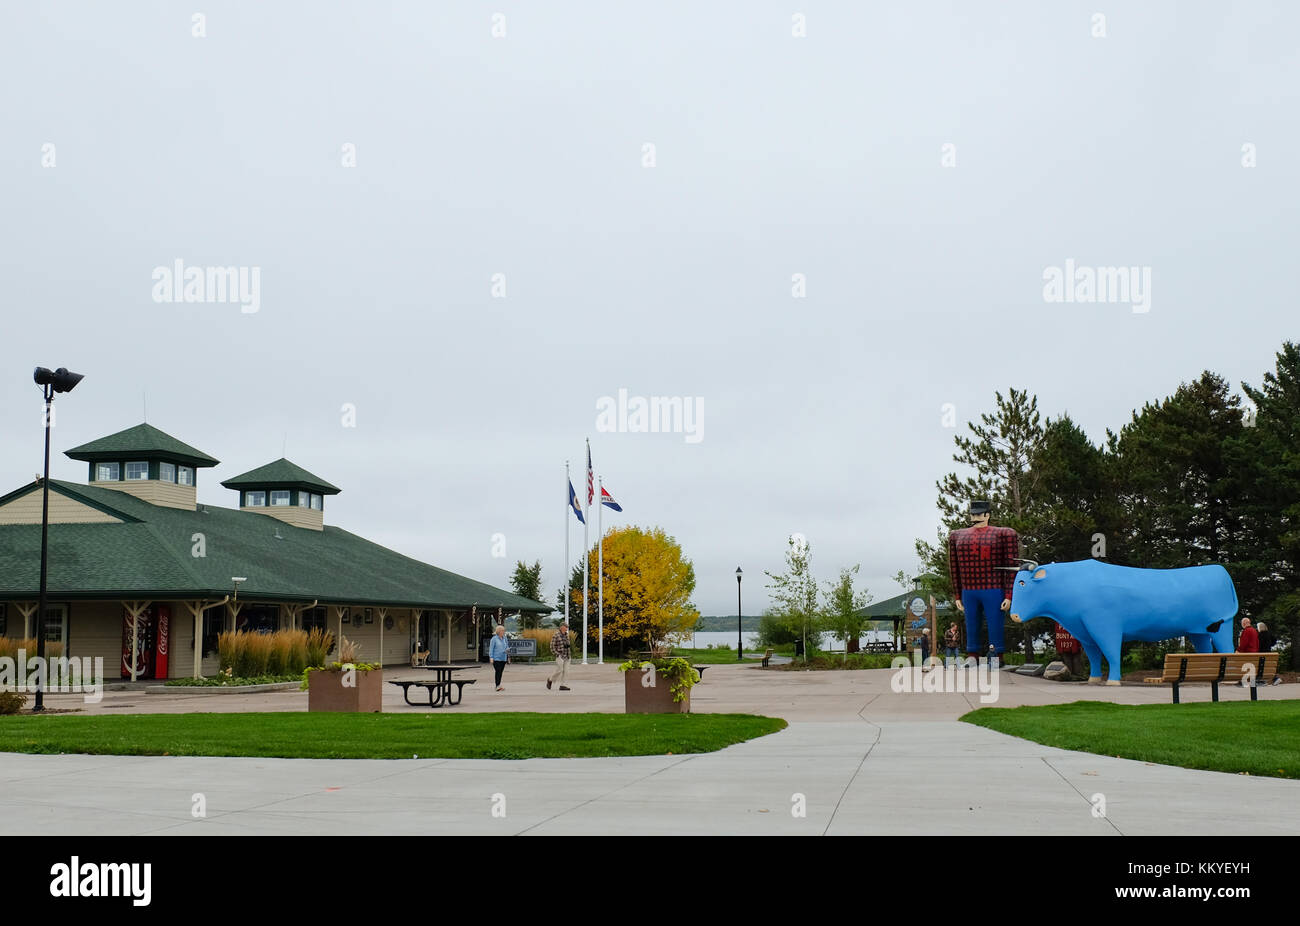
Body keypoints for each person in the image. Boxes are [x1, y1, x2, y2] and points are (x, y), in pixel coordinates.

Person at [948, 499, 1019, 666]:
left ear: (987, 515)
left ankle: (996, 655)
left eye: (979, 514)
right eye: (973, 514)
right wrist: (957, 594)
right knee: (971, 622)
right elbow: (954, 568)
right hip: (969, 589)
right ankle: (972, 654)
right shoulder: (957, 536)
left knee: (995, 622)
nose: (976, 517)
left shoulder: (1004, 534)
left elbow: (1011, 567)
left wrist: (1009, 595)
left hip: (993, 588)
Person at [547, 622, 572, 691]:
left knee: (566, 671)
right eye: (566, 627)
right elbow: (552, 646)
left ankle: (563, 685)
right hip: (560, 655)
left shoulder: (566, 635)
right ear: (561, 627)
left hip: (567, 656)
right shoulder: (556, 635)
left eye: (567, 627)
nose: (567, 628)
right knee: (560, 670)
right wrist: (556, 654)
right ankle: (550, 680)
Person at [489, 623, 509, 691]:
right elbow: (491, 648)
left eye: (504, 630)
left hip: (503, 658)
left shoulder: (505, 638)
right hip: (496, 658)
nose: (504, 632)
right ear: (499, 631)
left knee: (501, 672)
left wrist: (507, 651)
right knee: (498, 671)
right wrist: (491, 657)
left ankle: (499, 685)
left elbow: (507, 646)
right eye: (502, 630)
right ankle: (497, 685)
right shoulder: (494, 639)